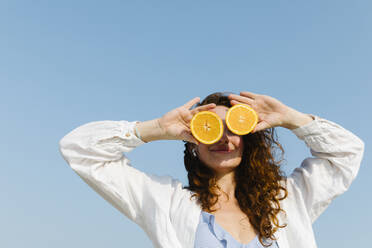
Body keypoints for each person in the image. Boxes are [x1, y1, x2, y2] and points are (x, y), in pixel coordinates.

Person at [59, 91, 364, 248]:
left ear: (248, 139)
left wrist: (291, 118)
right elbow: (79, 148)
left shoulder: (287, 202)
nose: (223, 137)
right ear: (193, 141)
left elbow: (346, 152)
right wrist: (155, 129)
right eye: (209, 127)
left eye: (233, 127)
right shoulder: (166, 202)